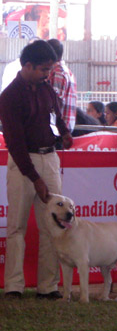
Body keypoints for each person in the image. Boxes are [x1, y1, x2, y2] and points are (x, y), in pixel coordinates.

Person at [0, 39, 73, 299]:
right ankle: (14, 285)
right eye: (44, 69)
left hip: (50, 157)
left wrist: (64, 133)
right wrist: (35, 178)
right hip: (23, 162)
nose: (47, 74)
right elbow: (15, 143)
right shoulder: (9, 97)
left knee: (52, 224)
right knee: (17, 227)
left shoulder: (45, 89)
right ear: (27, 65)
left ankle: (48, 285)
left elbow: (56, 116)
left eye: (49, 69)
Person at [46, 39, 77, 131]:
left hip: (58, 129)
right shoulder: (64, 71)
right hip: (62, 127)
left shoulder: (58, 72)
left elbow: (56, 101)